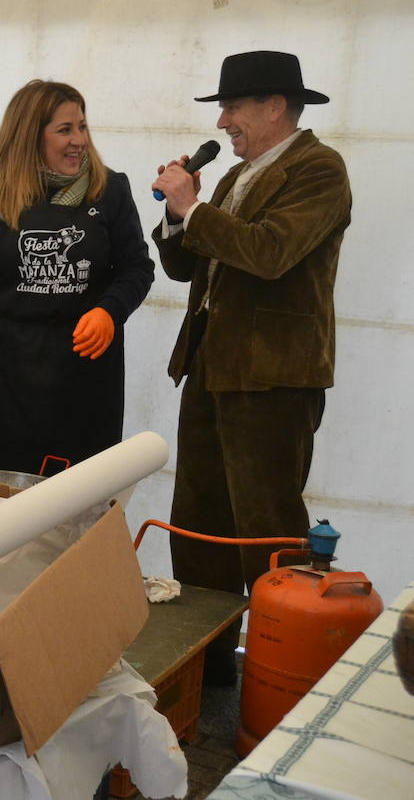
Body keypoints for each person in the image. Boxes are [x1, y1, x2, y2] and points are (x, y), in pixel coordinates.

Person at [151, 50, 350, 685]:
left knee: (267, 527)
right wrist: (177, 213)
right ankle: (206, 670)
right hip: (212, 367)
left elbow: (269, 254)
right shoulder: (239, 176)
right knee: (199, 524)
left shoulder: (319, 169)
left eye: (233, 108)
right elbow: (187, 268)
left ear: (275, 106)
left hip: (274, 378)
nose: (224, 122)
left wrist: (196, 210)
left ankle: (277, 669)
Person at [0, 80, 154, 474]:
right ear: (30, 134)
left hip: (86, 371)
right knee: (5, 493)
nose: (79, 141)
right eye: (65, 129)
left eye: (82, 127)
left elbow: (137, 267)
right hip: (9, 372)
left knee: (79, 492)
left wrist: (110, 311)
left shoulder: (110, 190)